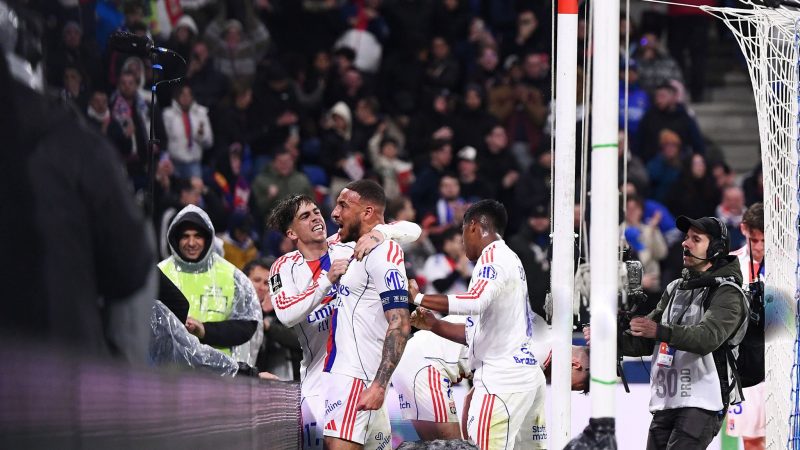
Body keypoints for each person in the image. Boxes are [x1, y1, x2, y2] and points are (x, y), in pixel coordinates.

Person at [266, 193, 421, 450]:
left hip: (366, 379)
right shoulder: (284, 267)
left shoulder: (347, 244)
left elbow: (412, 229)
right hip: (320, 384)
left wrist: (379, 234)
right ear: (292, 233)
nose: (316, 217)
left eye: (316, 211)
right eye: (305, 216)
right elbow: (285, 313)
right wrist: (326, 280)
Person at [587, 215, 749, 449]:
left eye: (696, 239)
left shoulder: (728, 292)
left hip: (704, 401)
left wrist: (658, 330)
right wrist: (607, 339)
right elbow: (644, 340)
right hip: (667, 401)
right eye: (686, 238)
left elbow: (707, 338)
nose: (685, 243)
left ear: (715, 249)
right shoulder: (675, 288)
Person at [408, 199, 547, 449]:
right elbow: (478, 332)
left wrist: (419, 298)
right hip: (525, 377)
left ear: (473, 226)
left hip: (501, 381)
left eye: (462, 232)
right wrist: (434, 325)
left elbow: (474, 301)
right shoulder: (511, 258)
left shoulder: (492, 257)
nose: (462, 241)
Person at [324, 180, 414, 450]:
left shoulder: (382, 251)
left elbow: (400, 322)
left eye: (343, 205)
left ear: (367, 212)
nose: (334, 213)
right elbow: (411, 228)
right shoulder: (351, 246)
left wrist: (379, 384)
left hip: (357, 379)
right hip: (358, 376)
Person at [158, 205, 261, 357]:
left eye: (197, 236)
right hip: (167, 371)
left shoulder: (232, 276)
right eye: (185, 236)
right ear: (176, 239)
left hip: (218, 373)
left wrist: (205, 331)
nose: (191, 243)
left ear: (207, 239)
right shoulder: (160, 273)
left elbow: (247, 325)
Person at [727, 203, 765, 450]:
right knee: (752, 439)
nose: (760, 247)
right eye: (755, 240)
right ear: (743, 230)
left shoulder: (788, 266)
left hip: (782, 359)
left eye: (764, 241)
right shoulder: (730, 265)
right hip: (745, 363)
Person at [243, 257, 301, 379]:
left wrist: (268, 325)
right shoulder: (236, 307)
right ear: (244, 280)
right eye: (257, 280)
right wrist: (261, 313)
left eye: (267, 283)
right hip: (243, 374)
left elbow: (299, 340)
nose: (262, 287)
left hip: (277, 378)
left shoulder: (284, 309)